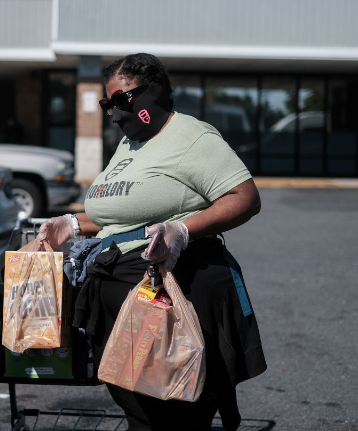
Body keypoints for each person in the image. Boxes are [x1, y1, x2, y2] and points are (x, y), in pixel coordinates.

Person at [38, 53, 266, 431]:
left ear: (155, 91)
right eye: (106, 103)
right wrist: (72, 224)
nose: (113, 113)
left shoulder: (192, 137)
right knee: (141, 412)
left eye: (121, 100)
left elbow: (244, 197)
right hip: (118, 294)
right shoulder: (130, 145)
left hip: (175, 294)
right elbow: (123, 211)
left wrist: (184, 230)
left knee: (175, 412)